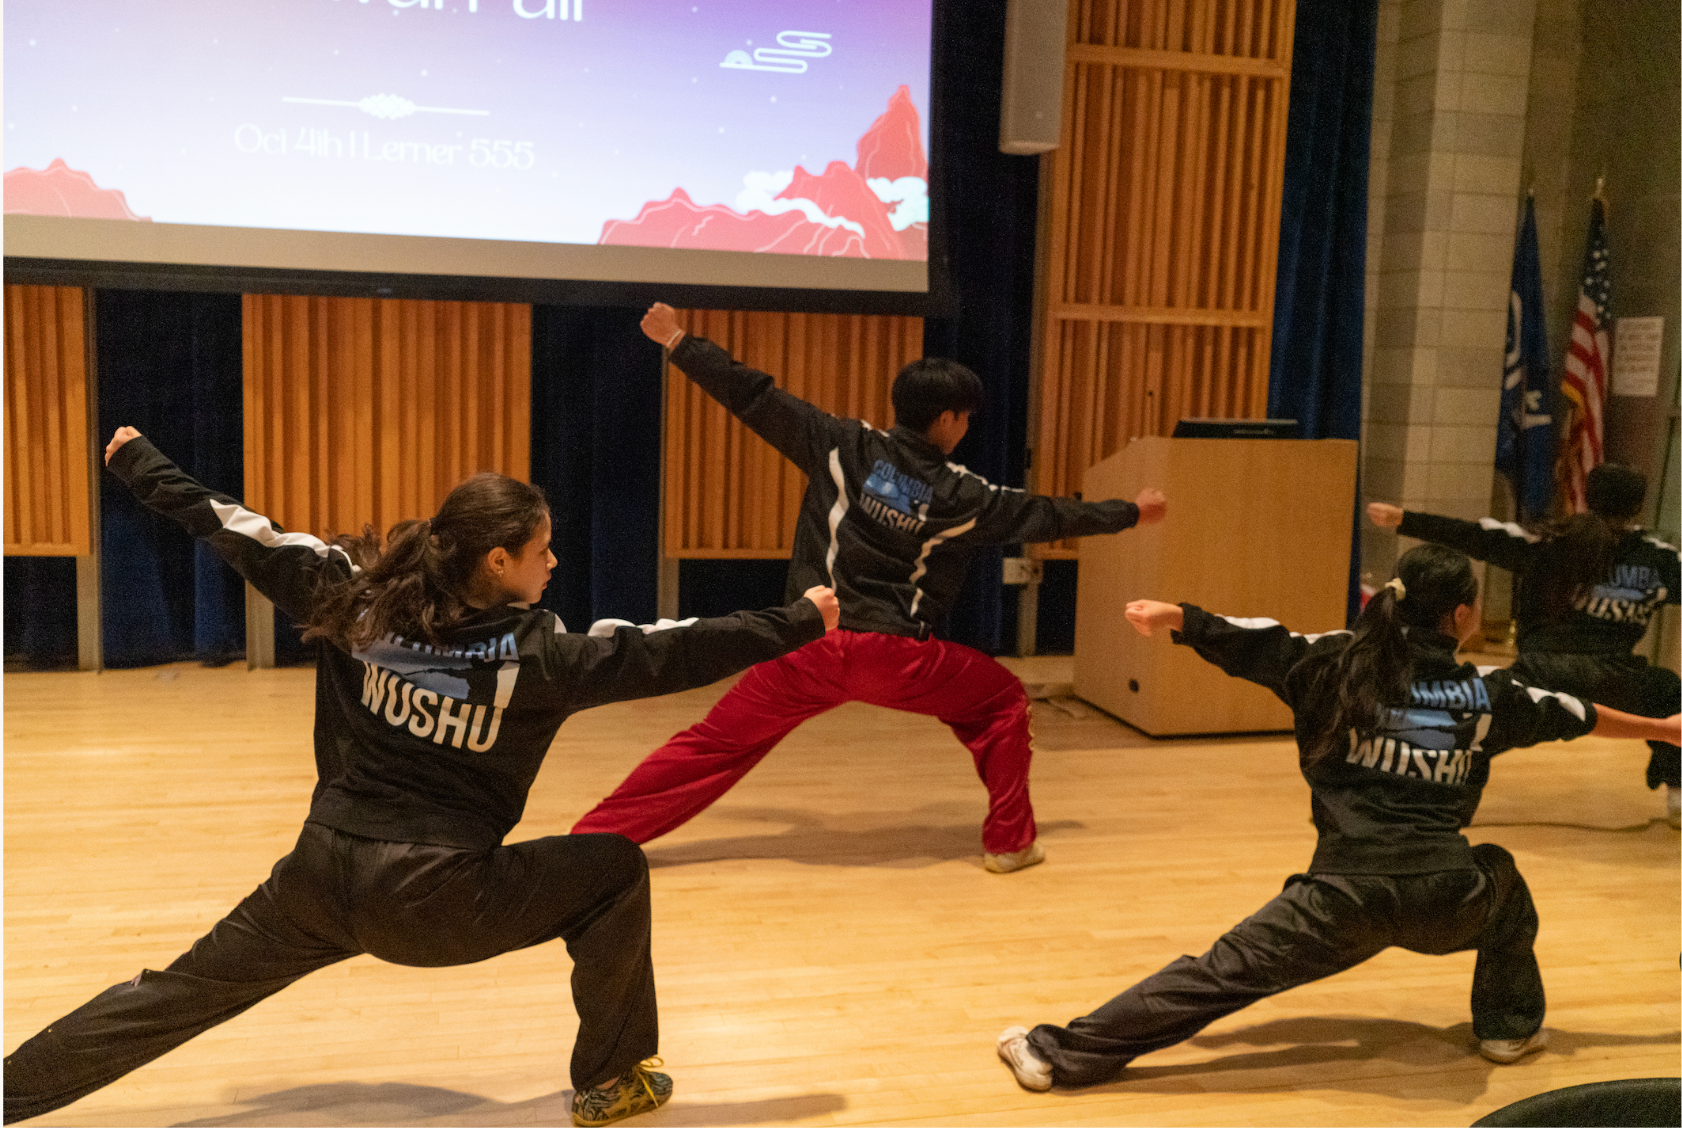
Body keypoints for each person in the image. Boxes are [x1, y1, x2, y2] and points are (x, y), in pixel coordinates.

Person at [4, 427, 840, 1128]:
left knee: (173, 995)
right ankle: (612, 1079)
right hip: (441, 902)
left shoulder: (355, 595)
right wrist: (800, 620)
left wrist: (140, 461)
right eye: (543, 551)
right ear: (499, 560)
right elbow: (677, 648)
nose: (555, 563)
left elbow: (238, 531)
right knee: (613, 869)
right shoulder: (542, 658)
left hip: (320, 875)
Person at [994, 543, 1681, 1090]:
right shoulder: (1489, 694)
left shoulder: (1331, 664)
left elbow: (1251, 640)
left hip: (1340, 899)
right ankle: (1507, 1028)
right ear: (1465, 615)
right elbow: (1577, 716)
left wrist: (1176, 616)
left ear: (1390, 599)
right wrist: (1666, 730)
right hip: (1446, 896)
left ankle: (1054, 1052)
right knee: (1501, 880)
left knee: (1217, 975)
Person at [570, 303, 1167, 872]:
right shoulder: (964, 496)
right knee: (1000, 701)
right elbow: (1052, 515)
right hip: (893, 657)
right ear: (945, 419)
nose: (964, 427)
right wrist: (1132, 513)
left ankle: (590, 842)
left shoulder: (839, 444)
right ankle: (1010, 844)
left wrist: (678, 341)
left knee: (711, 745)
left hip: (805, 646)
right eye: (964, 417)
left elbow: (753, 396)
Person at [1368, 462, 1680, 826]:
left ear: (1586, 498)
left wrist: (1404, 518)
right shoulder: (1660, 559)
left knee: (1476, 726)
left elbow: (1476, 536)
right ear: (1638, 507)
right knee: (1671, 695)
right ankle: (1677, 792)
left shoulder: (1547, 541)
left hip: (1539, 675)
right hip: (1615, 677)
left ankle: (1414, 797)